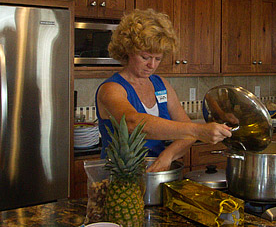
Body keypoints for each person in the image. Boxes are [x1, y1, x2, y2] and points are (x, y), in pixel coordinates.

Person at [96, 9, 232, 172]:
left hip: (158, 174)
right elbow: (133, 123)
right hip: (121, 180)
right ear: (128, 51)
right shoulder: (111, 89)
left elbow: (187, 132)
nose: (152, 65)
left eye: (158, 59)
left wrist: (167, 156)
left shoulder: (162, 85)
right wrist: (198, 130)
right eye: (145, 57)